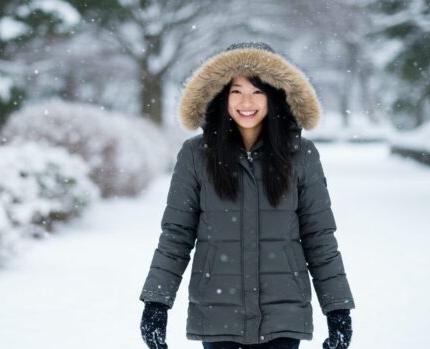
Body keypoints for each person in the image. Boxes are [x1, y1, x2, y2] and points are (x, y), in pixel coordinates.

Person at [138, 42, 355, 349]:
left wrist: (338, 308)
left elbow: (319, 236)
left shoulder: (301, 155)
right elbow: (176, 234)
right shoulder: (195, 155)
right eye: (236, 91)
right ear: (221, 96)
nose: (246, 102)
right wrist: (156, 303)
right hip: (217, 312)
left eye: (257, 91)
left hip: (284, 313)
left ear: (275, 96)